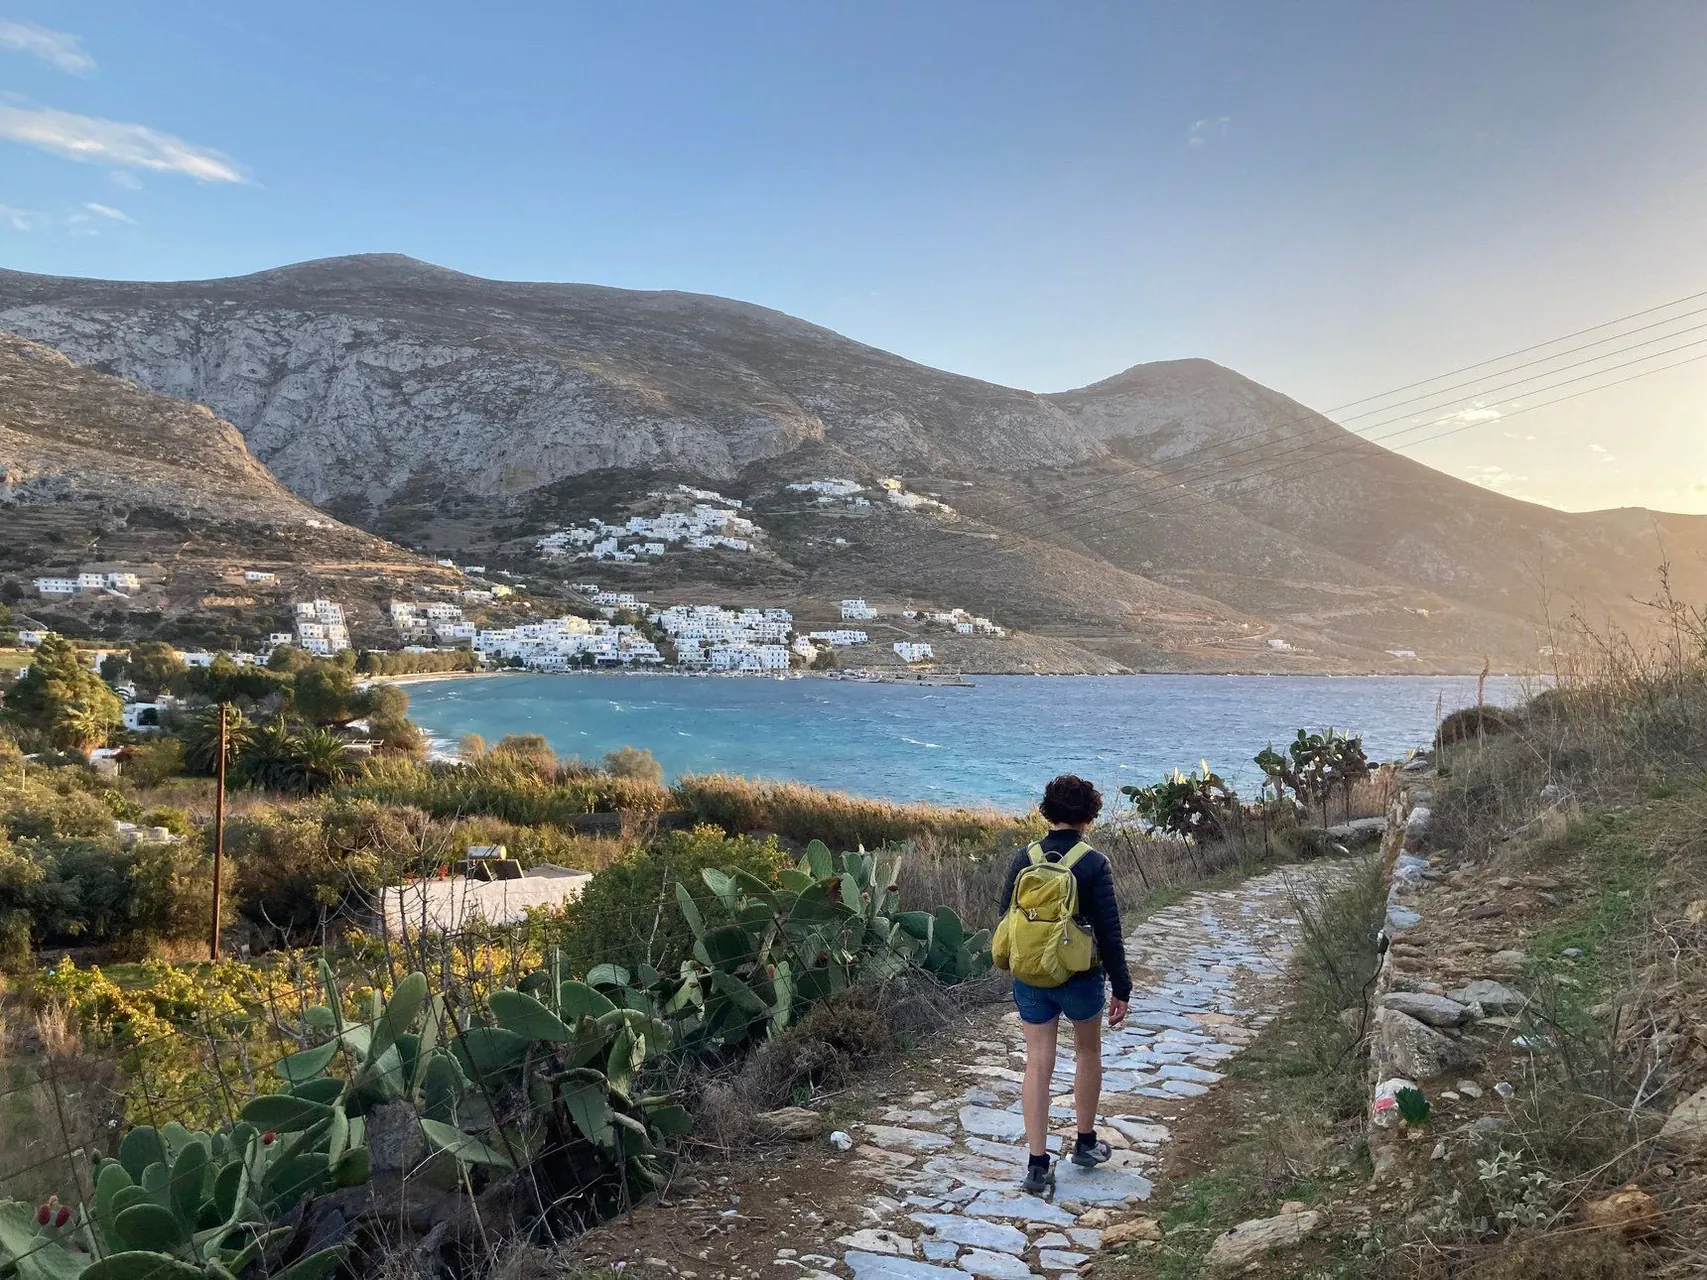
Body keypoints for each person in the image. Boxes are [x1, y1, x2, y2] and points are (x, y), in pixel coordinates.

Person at [998, 774, 1130, 1194]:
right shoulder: (1093, 863)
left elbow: (1006, 916)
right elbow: (1109, 932)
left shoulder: (1026, 857)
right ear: (1090, 815)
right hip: (1079, 976)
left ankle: (1037, 1164)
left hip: (1031, 976)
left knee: (1038, 1060)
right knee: (1087, 1051)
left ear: (1047, 811)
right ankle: (1085, 1143)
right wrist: (1122, 987)